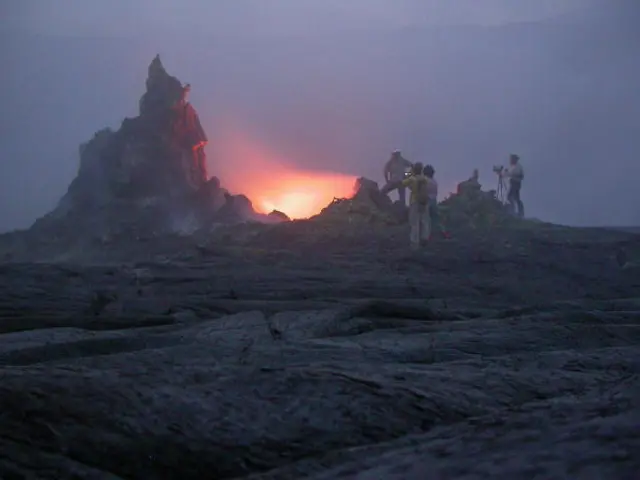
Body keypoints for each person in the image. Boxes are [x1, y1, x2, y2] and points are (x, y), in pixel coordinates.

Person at [401, 162, 431, 249]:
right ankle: (425, 238)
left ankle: (414, 242)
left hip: (414, 201)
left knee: (414, 222)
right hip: (424, 201)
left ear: (414, 170)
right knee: (424, 221)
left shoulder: (412, 179)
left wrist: (408, 174)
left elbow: (402, 182)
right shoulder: (425, 179)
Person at [423, 164, 450, 239]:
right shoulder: (434, 181)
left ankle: (427, 236)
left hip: (426, 201)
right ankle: (444, 232)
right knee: (436, 219)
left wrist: (407, 174)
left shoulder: (425, 180)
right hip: (433, 201)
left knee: (426, 219)